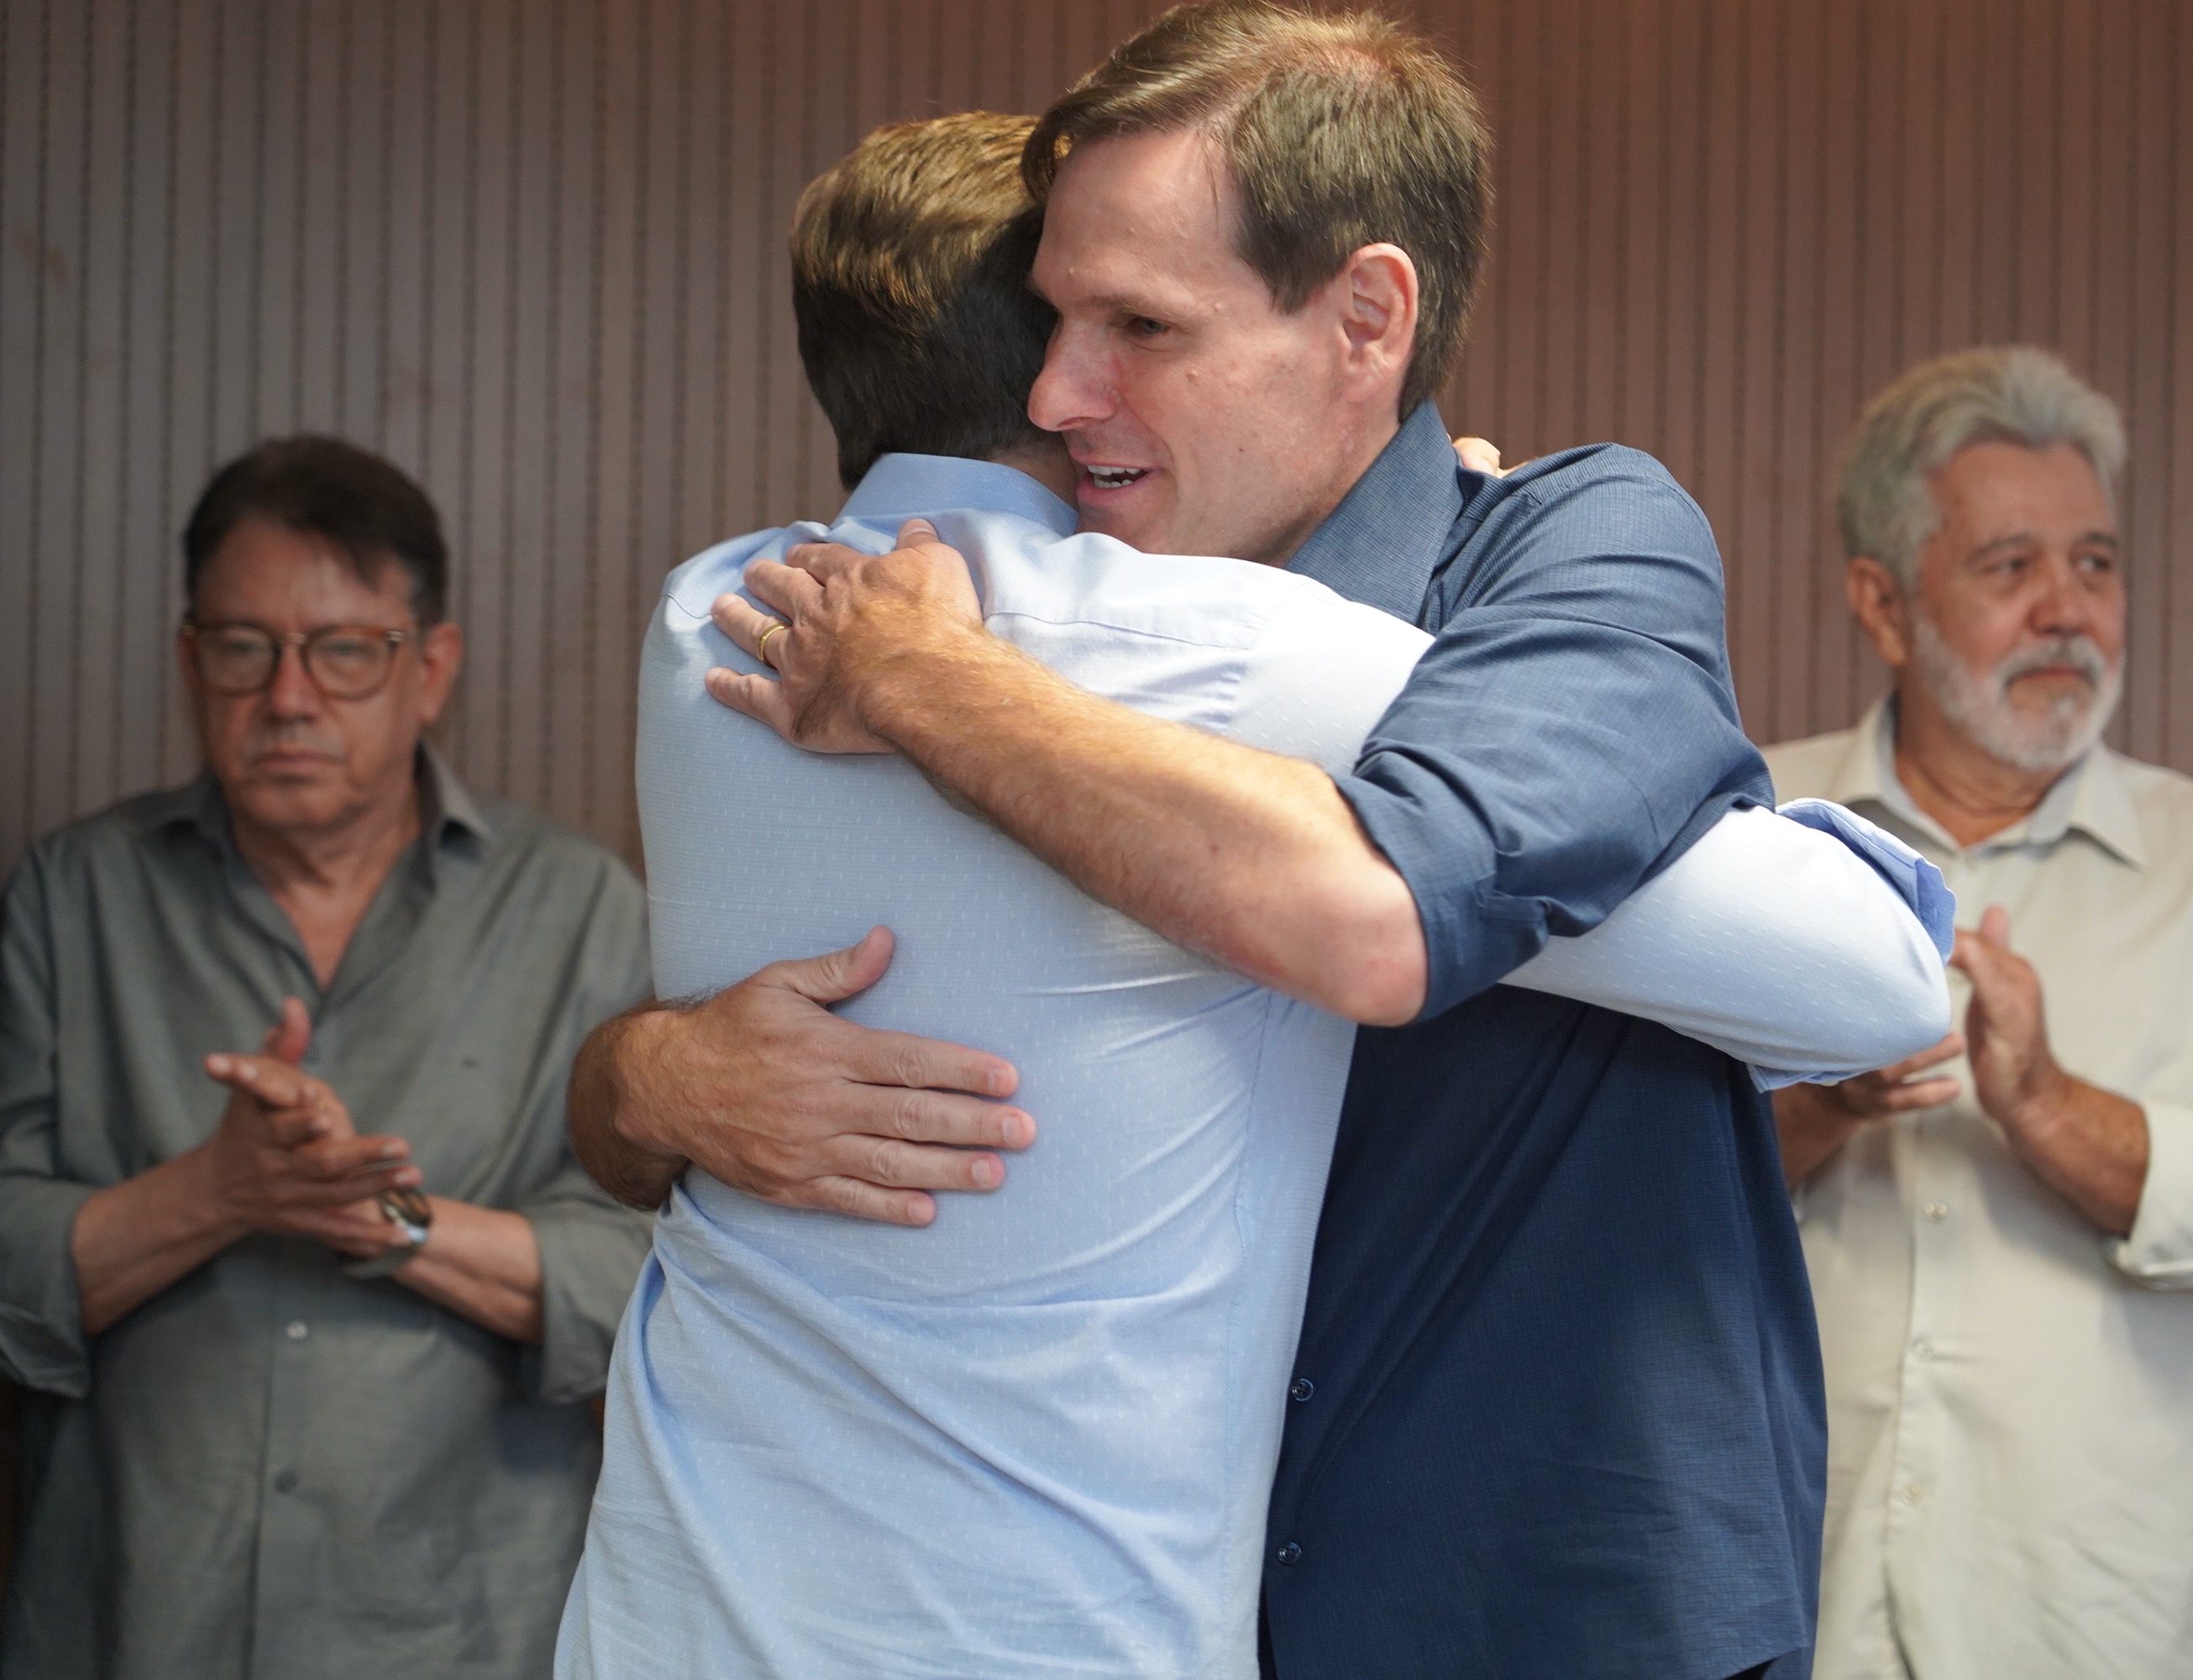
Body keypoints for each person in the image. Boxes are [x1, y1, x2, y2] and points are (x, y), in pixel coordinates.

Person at [576, 7, 1891, 1675]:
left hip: (1536, 1598)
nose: (1056, 395)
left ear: (1365, 321)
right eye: (1052, 321)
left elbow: (1852, 973)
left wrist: (929, 686)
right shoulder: (1069, 620)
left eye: (1138, 325)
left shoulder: (1547, 557)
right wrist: (645, 1079)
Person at [1765, 346, 2193, 1679]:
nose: (2068, 611)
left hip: (2096, 1631)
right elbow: (1604, 1190)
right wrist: (1818, 1107)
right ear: (1883, 604)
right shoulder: (1746, 833)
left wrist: (2048, 1109)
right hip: (1786, 1614)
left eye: (2095, 564)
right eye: (2011, 567)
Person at [0, 438, 654, 1680]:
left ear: (431, 668)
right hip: (132, 1622)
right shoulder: (72, 898)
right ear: (191, 661)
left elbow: (654, 1277)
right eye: (244, 648)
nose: (289, 698)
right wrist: (215, 1194)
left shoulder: (579, 912)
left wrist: (383, 1214)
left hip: (463, 1634)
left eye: (344, 651)